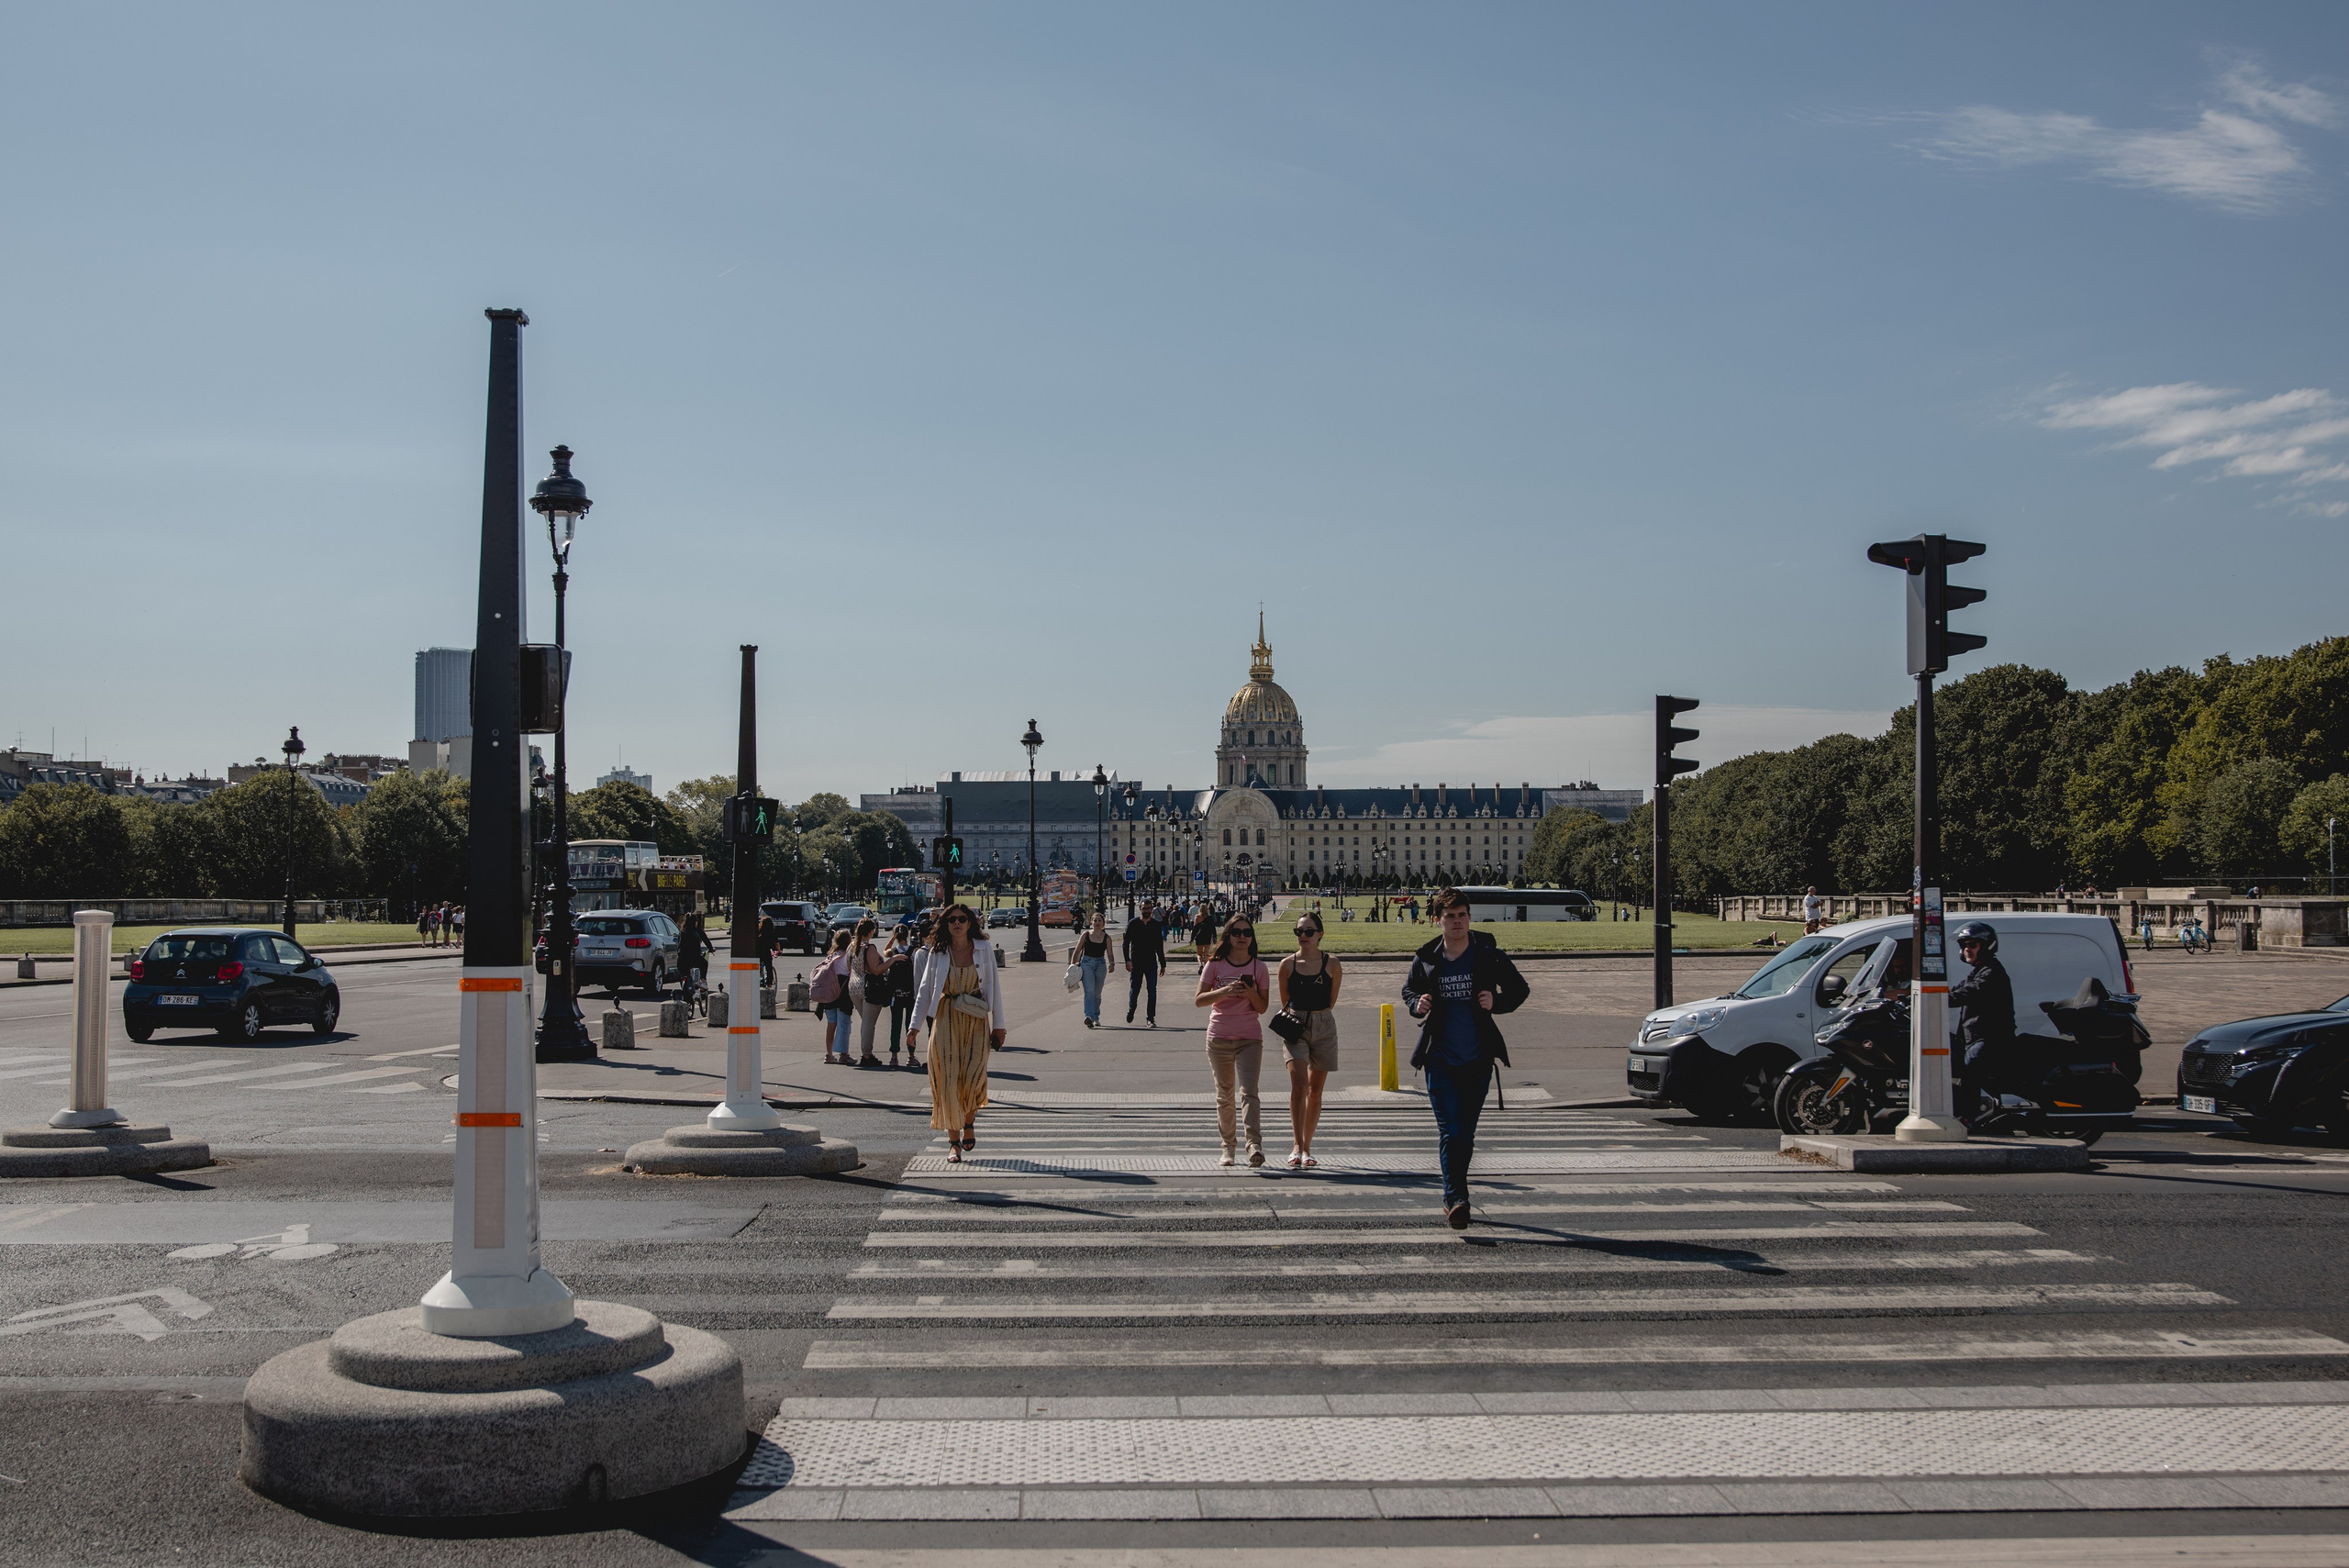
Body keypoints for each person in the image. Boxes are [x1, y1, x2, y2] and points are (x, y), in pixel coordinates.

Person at [1400, 887, 1531, 1229]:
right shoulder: (1427, 957)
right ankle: (1456, 1197)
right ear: (1438, 920)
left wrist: (1497, 1002)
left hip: (1477, 1058)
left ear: (1469, 917)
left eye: (1462, 915)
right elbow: (1409, 990)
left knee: (1465, 1134)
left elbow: (1520, 990)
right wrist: (1418, 1004)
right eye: (1450, 916)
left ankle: (1454, 1195)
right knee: (1451, 1131)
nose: (1457, 922)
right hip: (1439, 1058)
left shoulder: (1488, 954)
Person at [908, 903, 1005, 1162]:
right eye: (951, 919)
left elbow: (994, 987)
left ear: (970, 922)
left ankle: (969, 1122)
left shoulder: (983, 949)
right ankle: (953, 1142)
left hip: (975, 1019)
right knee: (947, 1082)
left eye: (962, 919)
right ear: (945, 924)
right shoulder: (938, 952)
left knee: (974, 1076)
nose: (957, 923)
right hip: (946, 1017)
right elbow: (925, 990)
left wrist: (999, 1025)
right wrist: (914, 1027)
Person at [1195, 913, 1271, 1167]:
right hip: (1219, 1036)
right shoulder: (1215, 965)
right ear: (1228, 936)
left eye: (1247, 933)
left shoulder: (1259, 968)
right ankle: (1228, 1147)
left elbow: (1262, 1008)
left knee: (1249, 1092)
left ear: (1252, 937)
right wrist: (1226, 990)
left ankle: (1254, 1145)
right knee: (1225, 1095)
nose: (1242, 937)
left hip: (1249, 1037)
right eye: (1237, 932)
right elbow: (1199, 1000)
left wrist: (1249, 991)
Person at [1277, 909, 1342, 1168]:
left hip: (1324, 1025)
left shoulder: (1333, 964)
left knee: (1315, 1092)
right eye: (1299, 932)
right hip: (1295, 1025)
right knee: (1300, 1085)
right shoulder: (1287, 965)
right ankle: (1296, 1145)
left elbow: (1331, 1001)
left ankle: (1307, 1147)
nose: (1303, 936)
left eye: (1308, 932)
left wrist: (1316, 1017)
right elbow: (1285, 1001)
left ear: (1320, 934)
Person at [1949, 920, 2015, 1103]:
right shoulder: (1977, 971)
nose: (1967, 949)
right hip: (1974, 1037)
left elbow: (1968, 992)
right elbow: (1956, 989)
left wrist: (1942, 999)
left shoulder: (1992, 973)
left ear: (1986, 945)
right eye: (1964, 945)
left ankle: (1968, 1114)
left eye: (1972, 945)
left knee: (1969, 1066)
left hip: (1990, 1039)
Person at [848, 917, 890, 1067]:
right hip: (868, 988)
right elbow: (876, 970)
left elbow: (849, 966)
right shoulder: (869, 947)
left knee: (866, 1021)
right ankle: (866, 1054)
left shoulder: (852, 946)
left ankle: (866, 1053)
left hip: (853, 987)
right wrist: (893, 959)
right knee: (868, 1023)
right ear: (871, 931)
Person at [813, 929, 854, 1065]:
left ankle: (829, 1054)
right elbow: (850, 972)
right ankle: (844, 1054)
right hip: (843, 995)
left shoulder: (831, 956)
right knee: (844, 1024)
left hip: (829, 995)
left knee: (831, 1024)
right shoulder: (846, 956)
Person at [1123, 900, 1167, 1027]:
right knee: (1135, 989)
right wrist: (1127, 960)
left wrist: (1163, 964)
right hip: (1136, 962)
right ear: (1140, 909)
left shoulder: (1155, 925)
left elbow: (1159, 945)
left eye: (1148, 908)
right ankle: (1131, 1009)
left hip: (1151, 962)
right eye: (1144, 908)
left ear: (1151, 909)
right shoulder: (1133, 923)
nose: (1146, 910)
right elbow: (1126, 943)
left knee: (1152, 990)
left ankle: (1150, 1018)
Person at [885, 927, 918, 1069]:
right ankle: (911, 1055)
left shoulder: (894, 952)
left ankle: (894, 1056)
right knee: (910, 1025)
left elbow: (885, 951)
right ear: (908, 935)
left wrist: (892, 938)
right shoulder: (914, 952)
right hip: (910, 993)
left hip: (896, 994)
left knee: (895, 1025)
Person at [1075, 908, 1115, 1029]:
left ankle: (1096, 1017)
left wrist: (1112, 963)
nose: (1097, 922)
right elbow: (1077, 950)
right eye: (1095, 920)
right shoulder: (1086, 935)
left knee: (1097, 994)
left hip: (1100, 965)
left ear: (1103, 923)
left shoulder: (1107, 938)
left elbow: (1109, 953)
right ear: (1091, 922)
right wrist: (1073, 965)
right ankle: (1089, 1016)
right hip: (1087, 963)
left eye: (1099, 920)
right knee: (1089, 991)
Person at [678, 908, 714, 1003]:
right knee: (704, 963)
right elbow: (706, 940)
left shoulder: (682, 932)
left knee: (684, 976)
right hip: (694, 958)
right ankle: (702, 981)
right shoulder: (697, 931)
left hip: (681, 960)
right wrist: (711, 949)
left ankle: (685, 991)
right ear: (695, 922)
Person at [1191, 905, 1219, 969]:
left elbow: (1195, 929)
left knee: (1199, 954)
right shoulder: (1210, 917)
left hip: (1199, 937)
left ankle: (1200, 965)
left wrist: (1192, 938)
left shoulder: (1197, 916)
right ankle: (1206, 967)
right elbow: (1213, 928)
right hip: (1207, 936)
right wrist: (1215, 937)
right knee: (1206, 953)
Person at [757, 911, 778, 989]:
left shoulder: (758, 932)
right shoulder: (771, 933)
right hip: (766, 953)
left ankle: (758, 978)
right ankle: (769, 984)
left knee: (758, 965)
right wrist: (779, 951)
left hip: (758, 953)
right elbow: (776, 943)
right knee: (769, 967)